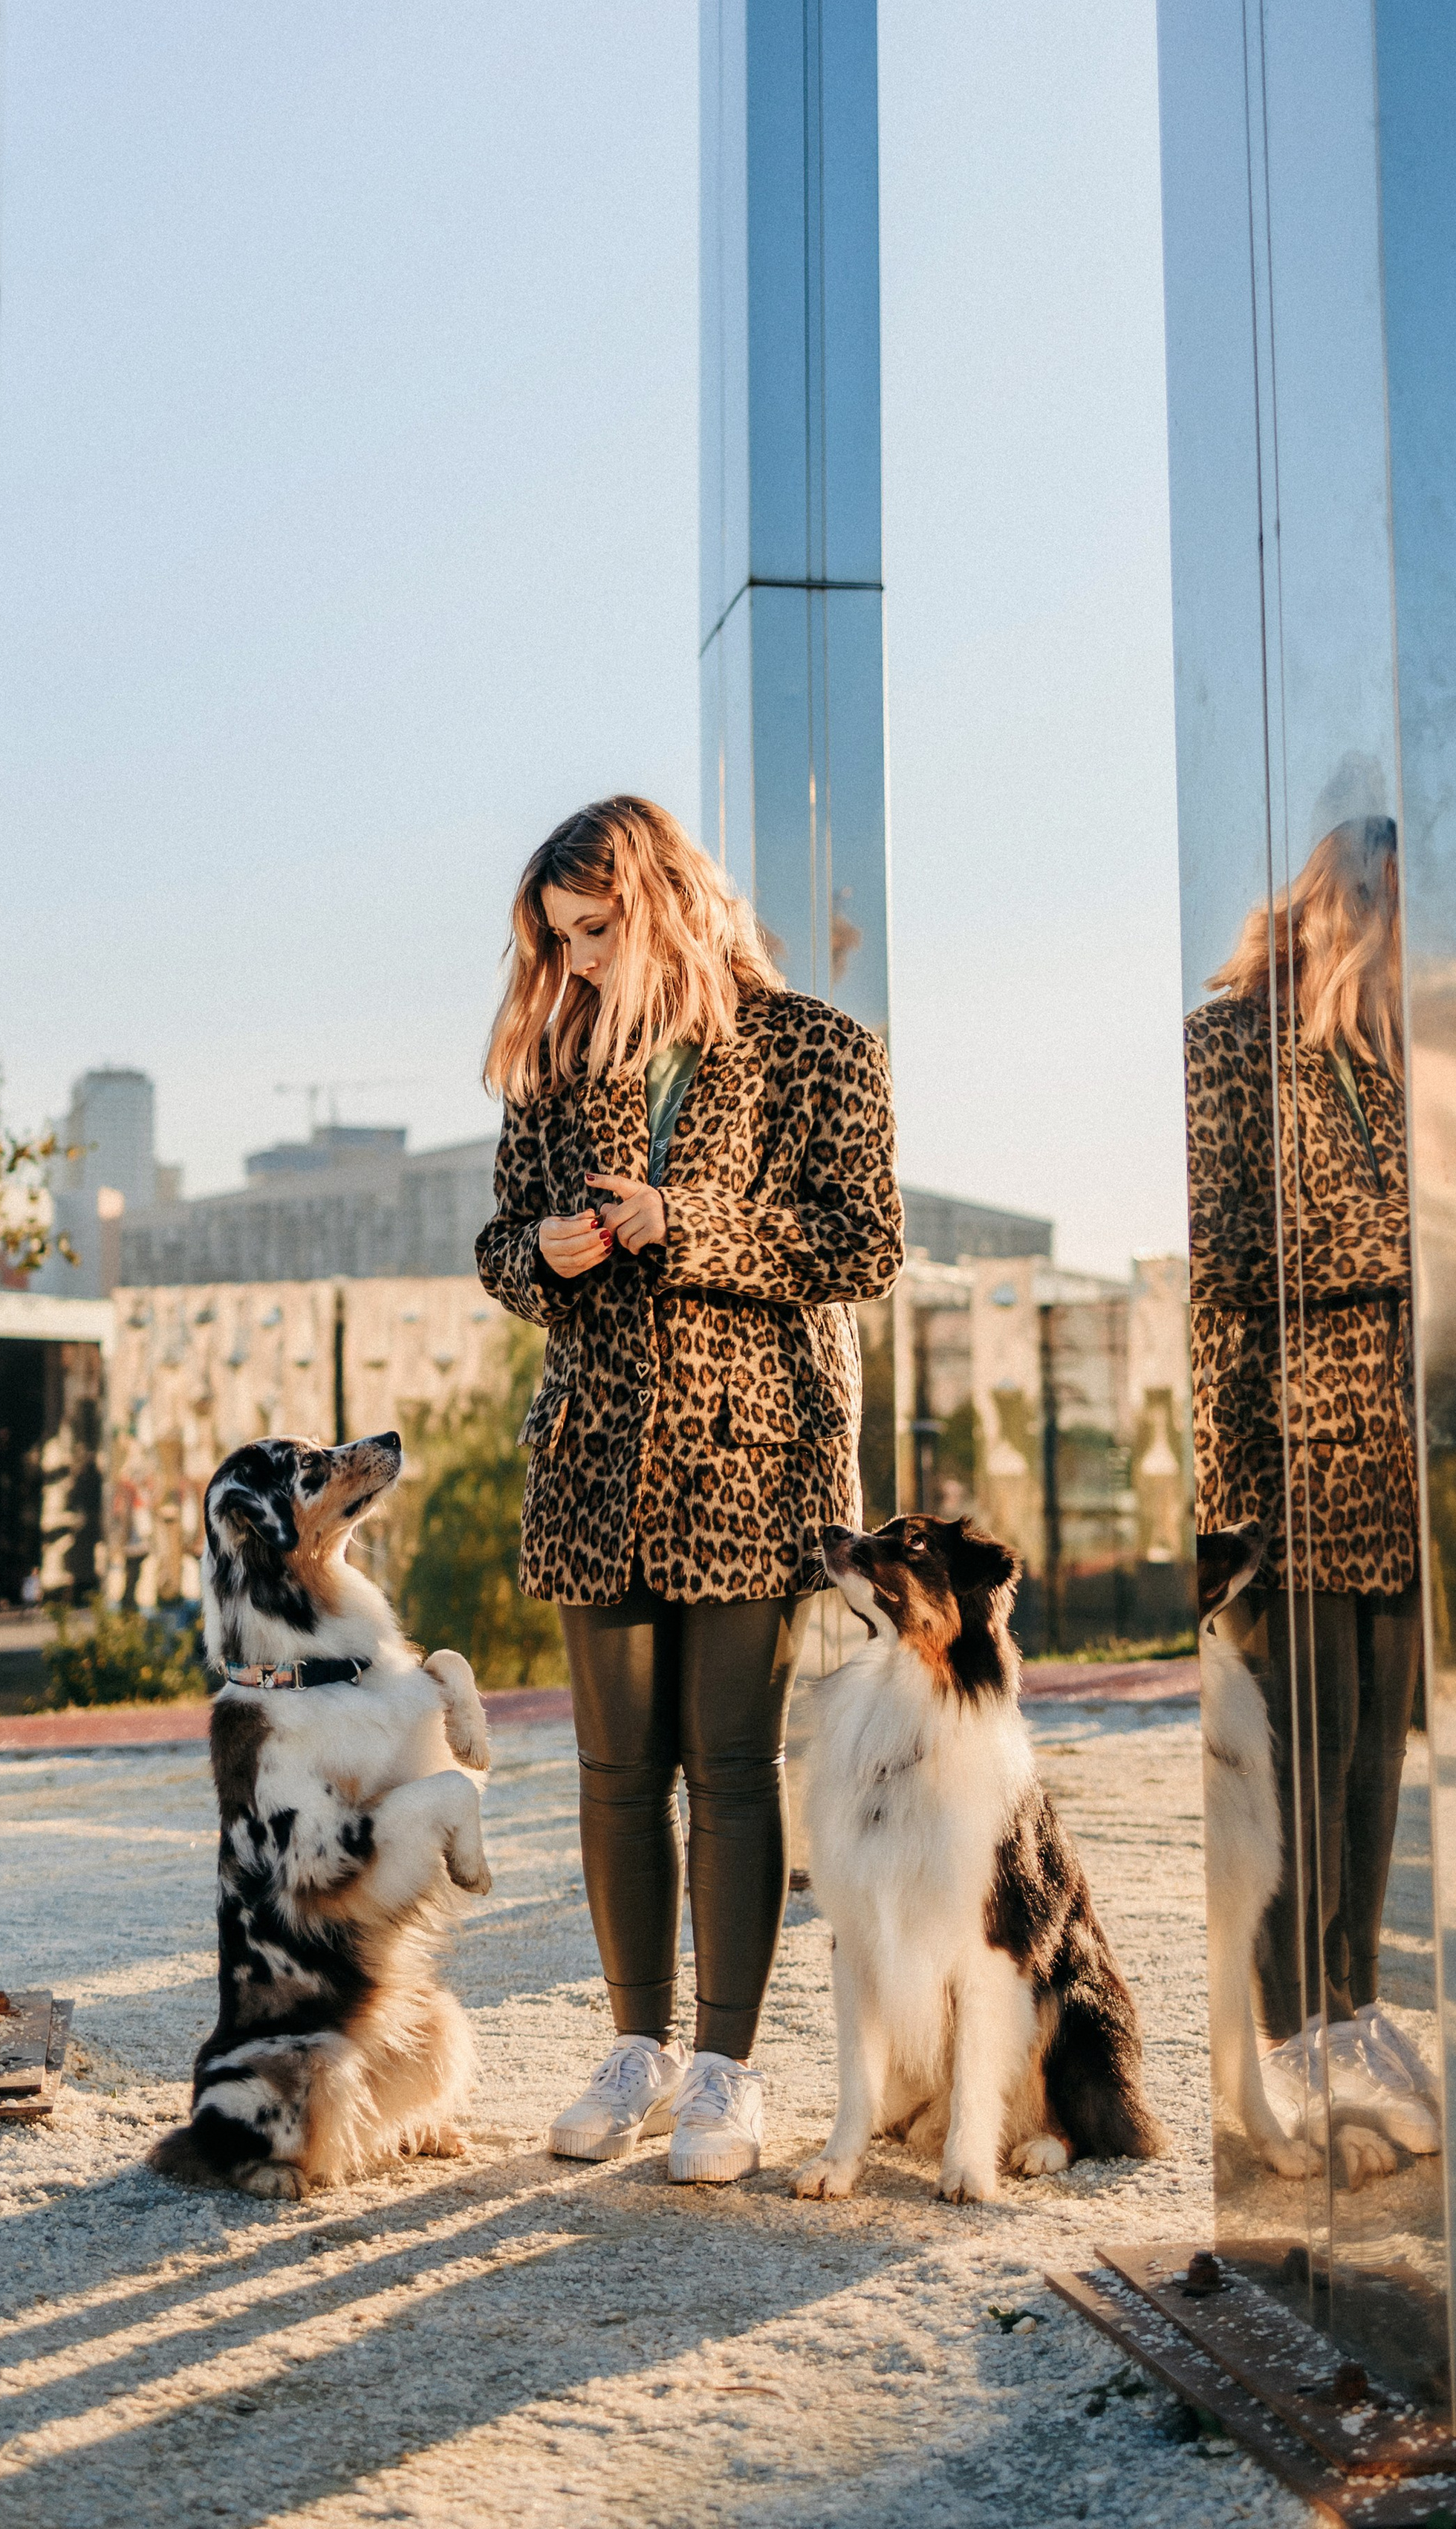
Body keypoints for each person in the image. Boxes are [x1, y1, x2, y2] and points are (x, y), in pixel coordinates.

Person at [475, 794, 903, 2183]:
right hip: (594, 1450)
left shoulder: (815, 1050)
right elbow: (495, 1249)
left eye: (597, 930)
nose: (581, 960)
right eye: (562, 939)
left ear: (662, 901)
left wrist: (689, 1224)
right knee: (614, 1773)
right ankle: (636, 2047)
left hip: (756, 1448)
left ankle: (726, 2069)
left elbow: (867, 1243)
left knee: (727, 1767)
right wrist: (542, 1250)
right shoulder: (555, 1067)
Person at [1186, 811, 1438, 2154]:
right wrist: (1230, 1495)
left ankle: (1355, 1994)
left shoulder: (1406, 1056)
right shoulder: (1233, 1043)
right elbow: (1233, 1265)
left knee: (1375, 1757)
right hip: (1294, 1442)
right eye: (1389, 912)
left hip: (1404, 1447)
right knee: (1304, 1758)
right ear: (1341, 903)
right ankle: (1293, 2026)